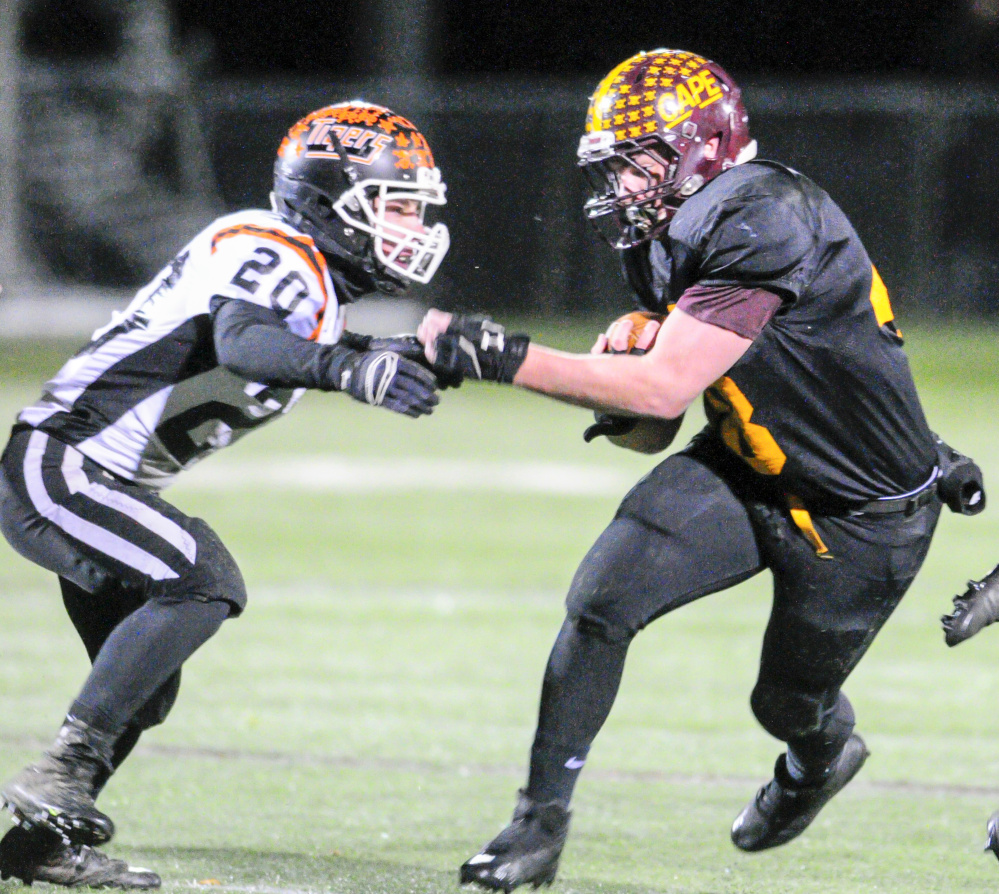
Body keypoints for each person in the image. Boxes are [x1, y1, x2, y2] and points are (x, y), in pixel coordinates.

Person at [417, 48, 965, 891]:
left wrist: (503, 357)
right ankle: (536, 826)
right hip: (748, 468)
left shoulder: (762, 212)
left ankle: (819, 759)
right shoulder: (666, 231)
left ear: (698, 146)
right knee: (600, 603)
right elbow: (654, 422)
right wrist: (615, 402)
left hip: (859, 512)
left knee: (783, 705)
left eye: (633, 163)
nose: (619, 187)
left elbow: (665, 379)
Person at [0, 100, 449, 889]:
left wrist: (394, 352)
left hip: (93, 481)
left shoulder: (310, 286)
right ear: (326, 201)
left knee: (141, 687)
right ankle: (58, 774)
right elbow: (247, 339)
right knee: (201, 581)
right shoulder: (267, 244)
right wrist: (350, 369)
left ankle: (36, 846)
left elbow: (297, 339)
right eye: (393, 206)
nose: (408, 226)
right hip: (64, 464)